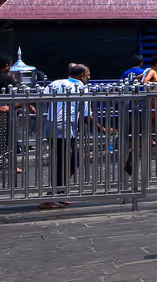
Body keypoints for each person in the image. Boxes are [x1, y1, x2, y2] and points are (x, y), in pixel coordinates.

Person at [41, 64, 107, 209]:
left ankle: (60, 193)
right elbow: (86, 116)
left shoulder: (56, 82)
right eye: (88, 75)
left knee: (62, 161)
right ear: (82, 76)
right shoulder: (82, 89)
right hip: (63, 128)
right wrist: (102, 129)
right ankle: (50, 196)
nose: (89, 78)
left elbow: (42, 98)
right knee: (69, 162)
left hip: (51, 126)